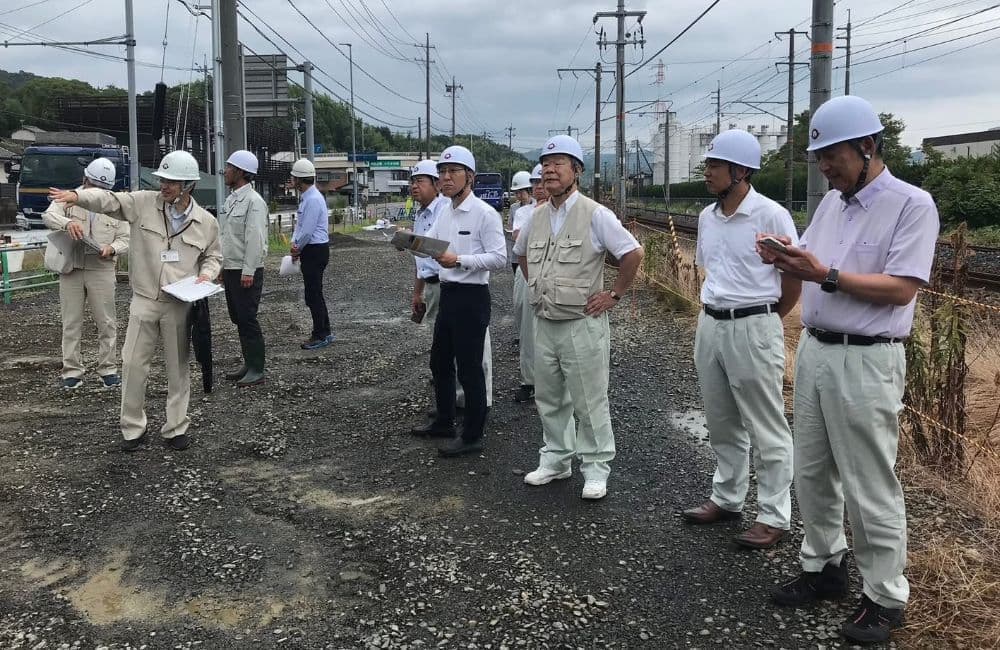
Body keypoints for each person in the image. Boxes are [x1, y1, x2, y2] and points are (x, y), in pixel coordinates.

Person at [761, 95, 939, 645]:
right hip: (816, 348)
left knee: (868, 480)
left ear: (868, 145)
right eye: (818, 158)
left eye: (831, 155)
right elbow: (814, 262)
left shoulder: (912, 204)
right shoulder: (833, 203)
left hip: (869, 356)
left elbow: (901, 288)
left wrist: (825, 274)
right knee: (811, 469)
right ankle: (823, 567)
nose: (824, 167)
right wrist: (786, 256)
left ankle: (886, 597)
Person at [48, 150, 222, 452]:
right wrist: (77, 196)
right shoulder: (142, 203)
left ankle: (176, 428)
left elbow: (214, 256)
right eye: (162, 180)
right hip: (144, 300)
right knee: (131, 364)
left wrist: (207, 275)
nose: (164, 185)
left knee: (178, 367)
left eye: (171, 181)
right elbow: (110, 201)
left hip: (180, 303)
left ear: (188, 186)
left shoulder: (205, 222)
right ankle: (132, 428)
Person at [681, 129, 800, 550]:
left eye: (715, 165)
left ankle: (773, 515)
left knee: (766, 425)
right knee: (720, 419)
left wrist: (763, 321)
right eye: (709, 165)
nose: (708, 172)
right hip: (711, 322)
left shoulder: (771, 215)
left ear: (741, 170)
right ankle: (727, 498)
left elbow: (792, 281)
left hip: (753, 324)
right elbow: (711, 270)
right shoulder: (707, 217)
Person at [514, 135, 644, 500]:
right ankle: (556, 458)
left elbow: (632, 253)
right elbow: (521, 254)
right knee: (549, 397)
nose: (550, 169)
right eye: (546, 163)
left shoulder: (595, 214)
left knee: (589, 399)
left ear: (577, 171)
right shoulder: (536, 216)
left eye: (559, 163)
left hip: (581, 323)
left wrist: (614, 295)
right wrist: (536, 284)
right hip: (545, 321)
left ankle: (596, 467)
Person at [409, 145, 506, 457]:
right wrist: (408, 241)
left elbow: (499, 258)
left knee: (469, 368)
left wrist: (461, 260)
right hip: (449, 295)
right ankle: (446, 419)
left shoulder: (484, 214)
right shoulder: (445, 213)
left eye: (453, 172)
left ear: (470, 177)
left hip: (471, 297)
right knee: (439, 361)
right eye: (442, 172)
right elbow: (432, 246)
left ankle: (473, 434)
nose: (446, 178)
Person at [42, 157, 130, 389]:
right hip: (71, 267)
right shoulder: (69, 199)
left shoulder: (115, 205)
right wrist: (66, 223)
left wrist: (112, 248)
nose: (97, 193)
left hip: (102, 267)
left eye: (103, 189)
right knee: (71, 322)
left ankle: (108, 369)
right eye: (94, 186)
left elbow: (126, 237)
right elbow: (48, 215)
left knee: (107, 322)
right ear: (85, 180)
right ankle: (71, 371)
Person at [220, 150, 269, 386]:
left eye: (229, 167)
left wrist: (249, 271)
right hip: (232, 267)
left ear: (240, 172)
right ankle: (248, 363)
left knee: (248, 318)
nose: (225, 171)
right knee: (238, 318)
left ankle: (257, 368)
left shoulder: (254, 202)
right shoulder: (231, 199)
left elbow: (255, 239)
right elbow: (228, 237)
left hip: (246, 269)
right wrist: (222, 266)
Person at [510, 164, 547, 403]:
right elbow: (517, 238)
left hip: (556, 274)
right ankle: (529, 380)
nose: (539, 187)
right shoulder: (525, 212)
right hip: (527, 272)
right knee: (526, 324)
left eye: (542, 182)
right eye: (535, 183)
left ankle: (553, 381)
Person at [289, 158, 333, 350]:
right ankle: (325, 330)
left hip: (315, 249)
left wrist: (297, 247)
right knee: (314, 293)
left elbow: (307, 230)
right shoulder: (309, 197)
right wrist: (295, 243)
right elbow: (300, 226)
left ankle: (320, 334)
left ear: (299, 180)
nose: (292, 181)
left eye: (293, 178)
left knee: (313, 294)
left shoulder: (313, 199)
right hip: (313, 249)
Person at [507, 170, 532, 344]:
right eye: (516, 192)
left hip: (532, 257)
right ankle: (522, 333)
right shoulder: (515, 208)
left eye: (521, 192)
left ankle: (531, 334)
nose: (518, 195)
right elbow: (510, 227)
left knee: (531, 296)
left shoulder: (538, 206)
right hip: (517, 256)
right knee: (519, 299)